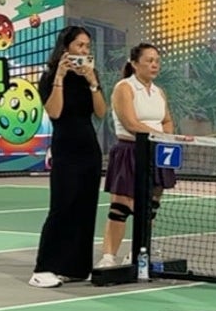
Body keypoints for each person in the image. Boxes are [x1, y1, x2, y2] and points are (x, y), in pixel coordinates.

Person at [29, 25, 107, 288]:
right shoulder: (49, 76)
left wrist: (93, 82)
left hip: (89, 149)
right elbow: (55, 112)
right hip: (65, 149)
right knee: (62, 207)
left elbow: (101, 112)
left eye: (87, 46)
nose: (84, 51)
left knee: (85, 208)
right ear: (66, 48)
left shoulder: (89, 76)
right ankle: (43, 268)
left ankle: (76, 267)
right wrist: (60, 77)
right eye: (79, 45)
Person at [96, 43, 179, 270]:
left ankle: (138, 252)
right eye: (149, 61)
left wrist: (167, 136)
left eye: (157, 61)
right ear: (134, 64)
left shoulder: (159, 92)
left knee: (150, 208)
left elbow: (167, 120)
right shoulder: (124, 88)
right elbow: (131, 123)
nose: (154, 65)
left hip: (157, 152)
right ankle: (108, 257)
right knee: (120, 207)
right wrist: (159, 135)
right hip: (129, 151)